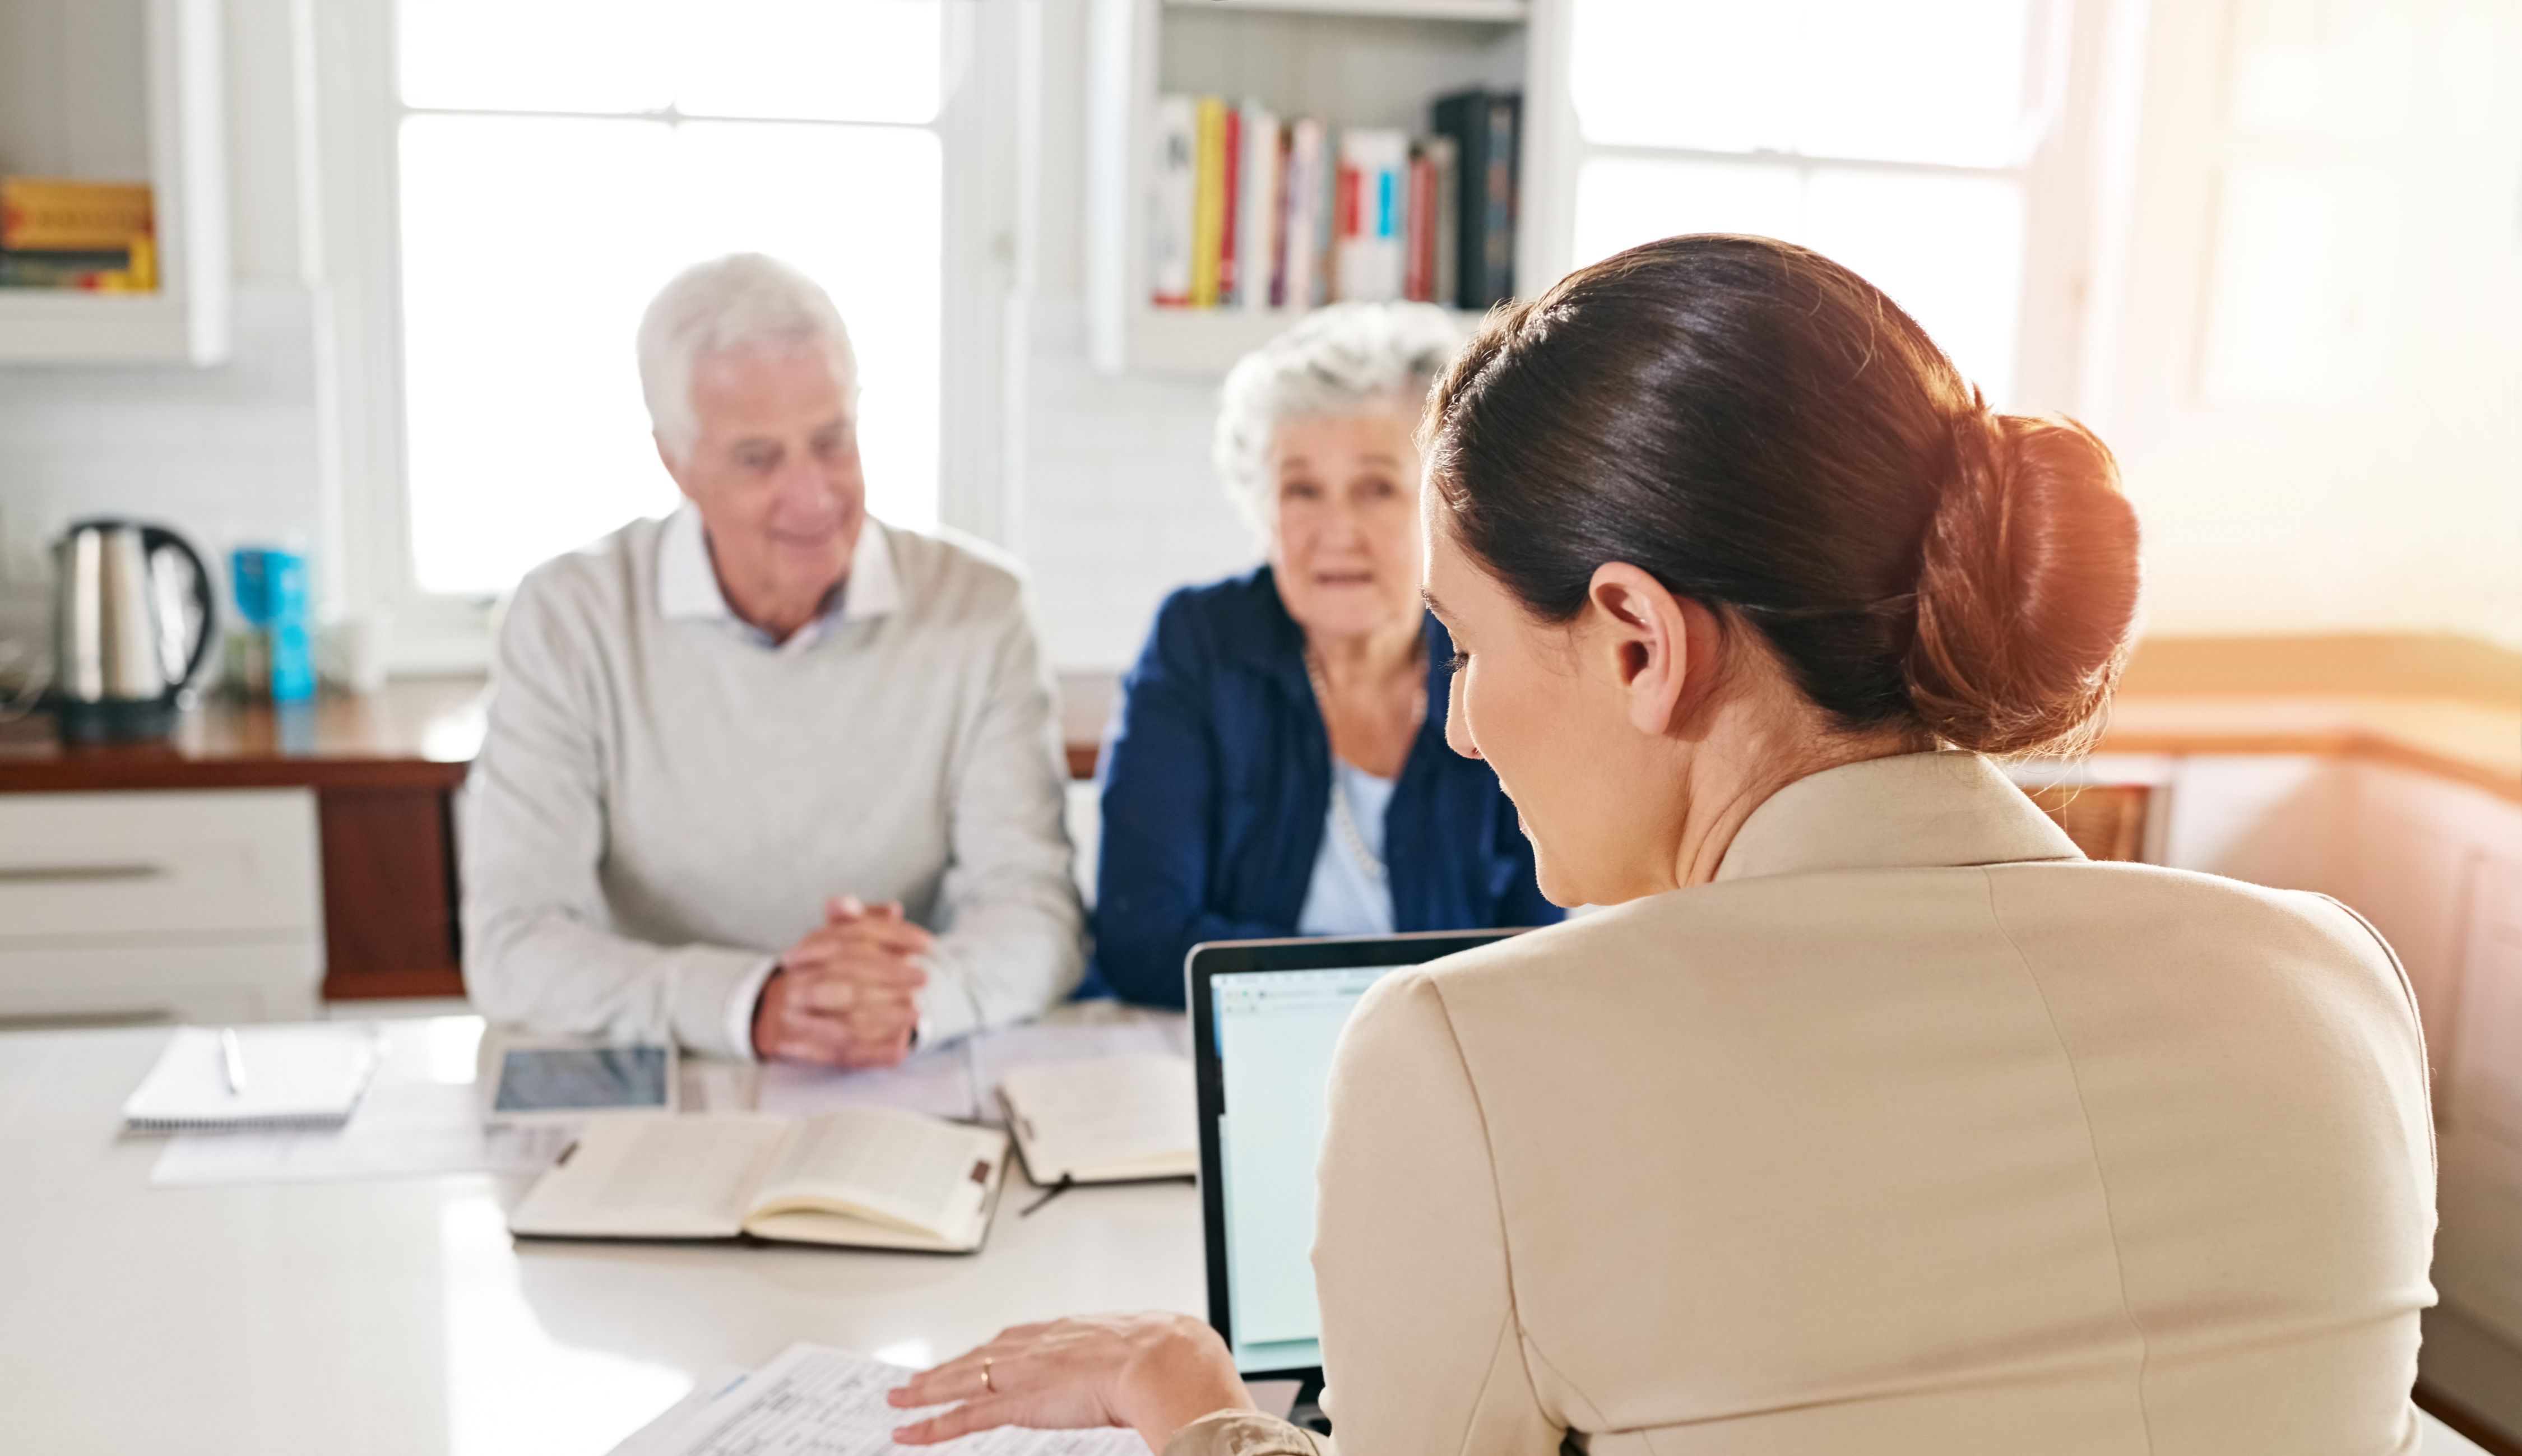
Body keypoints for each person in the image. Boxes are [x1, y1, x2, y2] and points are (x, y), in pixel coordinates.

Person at [879, 237, 2436, 1453]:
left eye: (1467, 645)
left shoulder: (1466, 1051)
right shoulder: (2331, 977)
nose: (1467, 724)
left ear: (1635, 638)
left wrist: (1184, 1393)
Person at [462, 253, 1084, 1069]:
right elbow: (513, 946)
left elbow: (1037, 916)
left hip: (895, 1070)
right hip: (668, 1073)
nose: (812, 496)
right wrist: (755, 1003)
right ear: (675, 462)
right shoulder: (567, 618)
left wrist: (906, 1002)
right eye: (758, 458)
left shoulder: (982, 610)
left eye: (832, 442)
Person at [1092, 303, 1559, 1008]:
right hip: (1227, 1059)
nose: (1336, 530)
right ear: (1264, 510)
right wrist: (1382, 999)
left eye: (1376, 487)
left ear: (1446, 507)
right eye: (1302, 490)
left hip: (1448, 1063)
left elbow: (1537, 946)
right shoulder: (1200, 642)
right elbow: (1141, 937)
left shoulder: (1501, 649)